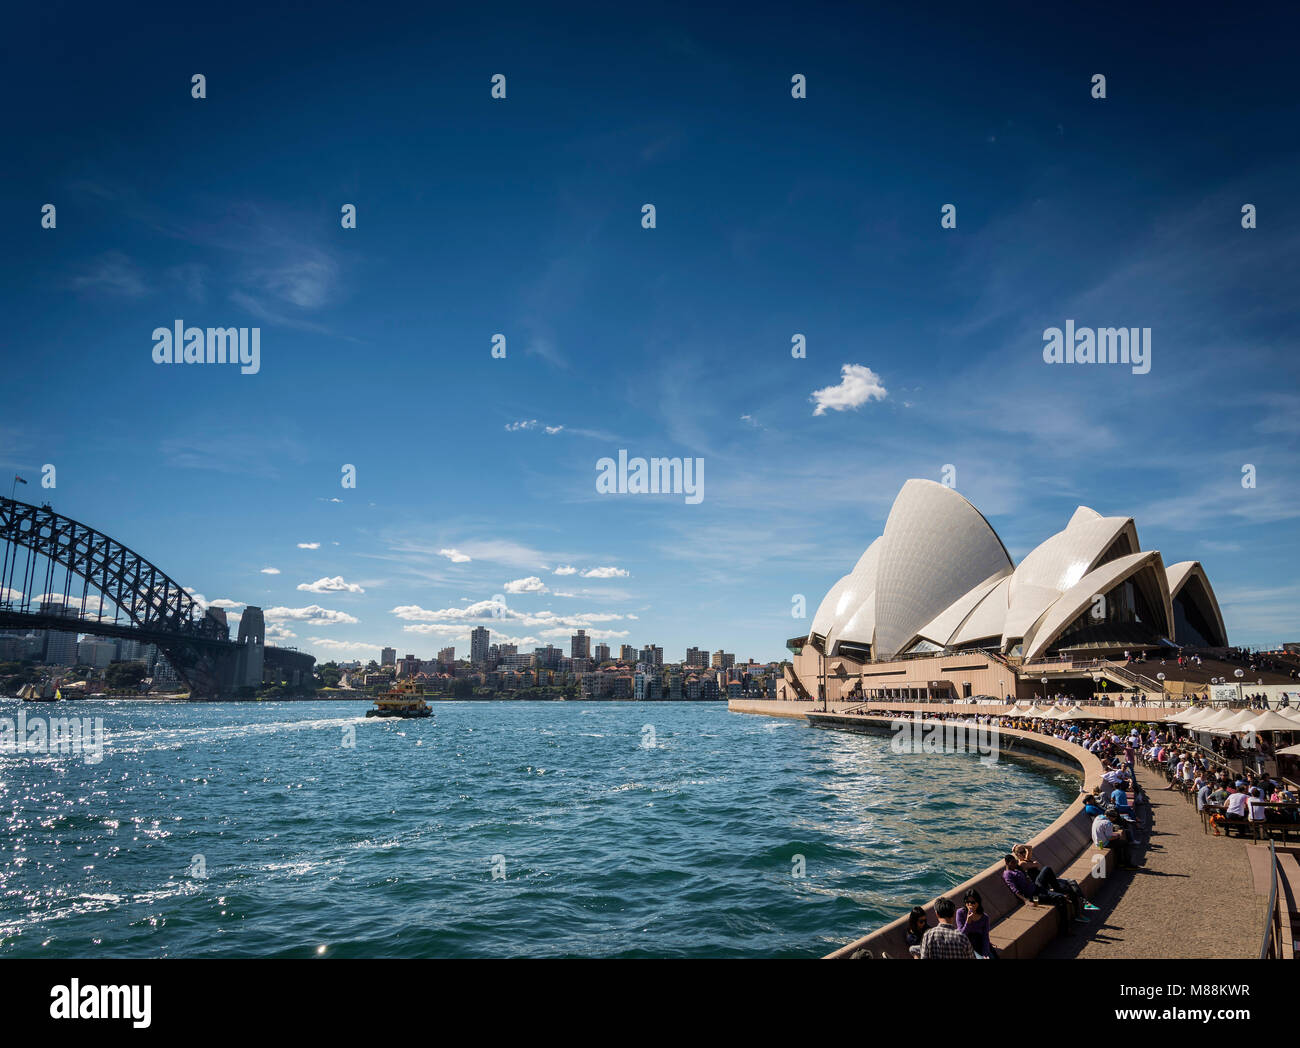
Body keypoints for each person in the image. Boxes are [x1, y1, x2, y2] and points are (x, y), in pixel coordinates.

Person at [955, 888, 995, 959]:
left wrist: (985, 953)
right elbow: (961, 935)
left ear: (978, 903)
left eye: (973, 902)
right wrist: (968, 921)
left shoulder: (984, 917)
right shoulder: (960, 913)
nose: (970, 905)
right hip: (966, 943)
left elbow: (985, 936)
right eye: (967, 902)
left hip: (979, 942)